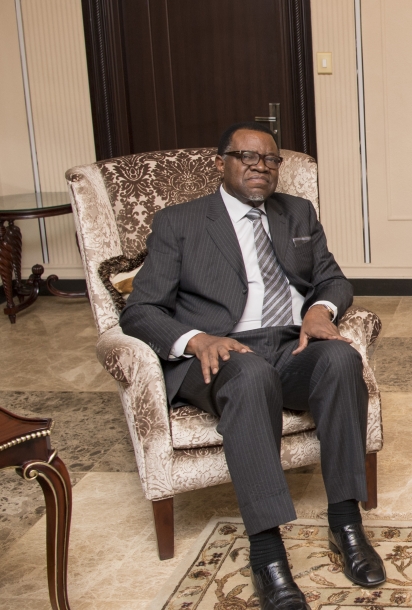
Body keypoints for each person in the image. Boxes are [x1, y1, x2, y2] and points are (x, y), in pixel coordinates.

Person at [121, 122, 384, 610]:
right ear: (221, 162)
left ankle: (346, 524)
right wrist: (196, 339)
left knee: (342, 359)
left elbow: (332, 278)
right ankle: (267, 553)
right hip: (223, 352)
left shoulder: (298, 213)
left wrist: (319, 310)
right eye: (247, 157)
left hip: (290, 344)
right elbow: (139, 311)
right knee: (250, 374)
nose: (260, 167)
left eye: (270, 159)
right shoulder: (179, 222)